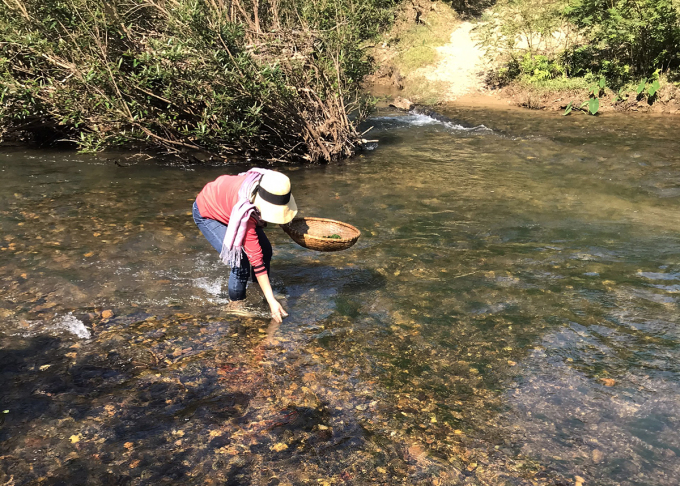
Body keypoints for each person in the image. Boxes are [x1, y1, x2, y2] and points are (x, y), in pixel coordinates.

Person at [192, 168, 297, 323]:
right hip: (207, 212)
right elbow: (256, 261)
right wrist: (272, 301)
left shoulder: (265, 185)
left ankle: (259, 289)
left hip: (226, 203)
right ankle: (235, 305)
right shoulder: (247, 214)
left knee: (266, 250)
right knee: (240, 262)